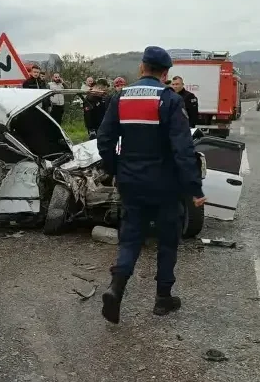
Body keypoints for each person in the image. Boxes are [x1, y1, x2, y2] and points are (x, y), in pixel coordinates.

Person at [96, 46, 206, 324]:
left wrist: (115, 169)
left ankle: (116, 289)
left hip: (131, 181)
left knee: (131, 236)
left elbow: (105, 140)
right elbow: (183, 149)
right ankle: (162, 299)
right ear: (166, 73)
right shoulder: (169, 100)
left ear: (141, 67)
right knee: (168, 240)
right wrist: (194, 188)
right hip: (166, 185)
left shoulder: (120, 97)